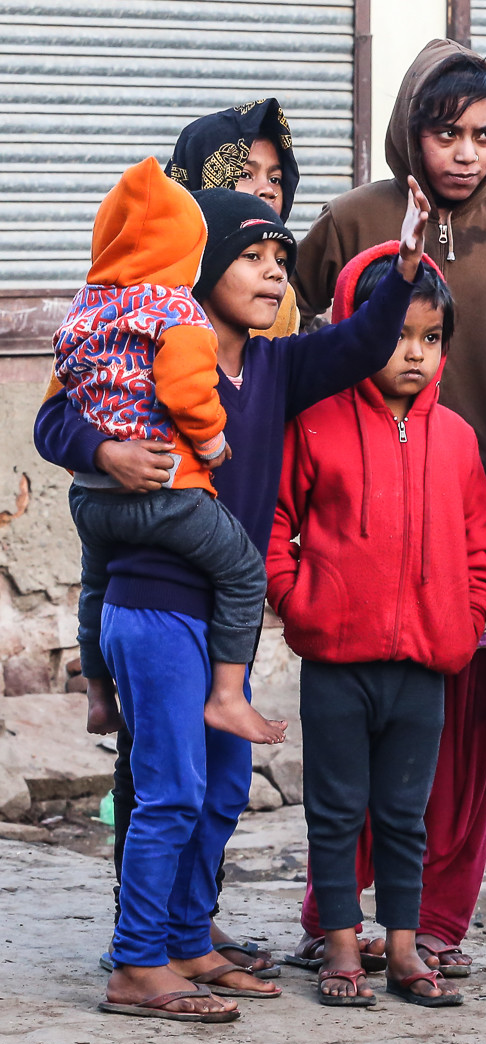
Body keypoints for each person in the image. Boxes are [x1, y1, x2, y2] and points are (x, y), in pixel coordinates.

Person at [32, 179, 432, 1021]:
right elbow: (54, 424)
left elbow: (359, 344)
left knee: (217, 791)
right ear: (202, 265)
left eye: (280, 260)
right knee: (169, 790)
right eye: (251, 257)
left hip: (222, 627)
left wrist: (403, 268)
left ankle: (185, 938)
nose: (272, 274)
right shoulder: (144, 350)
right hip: (153, 603)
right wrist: (106, 451)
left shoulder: (278, 366)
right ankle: (136, 964)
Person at [289, 38, 486, 979]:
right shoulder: (352, 218)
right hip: (355, 503)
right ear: (412, 129)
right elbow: (282, 337)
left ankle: (436, 920)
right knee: (353, 725)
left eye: (485, 135)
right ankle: (337, 918)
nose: (465, 153)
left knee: (465, 726)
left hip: (471, 509)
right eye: (446, 132)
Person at [269, 242, 486, 1007]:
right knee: (334, 813)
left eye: (432, 339)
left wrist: (462, 626)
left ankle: (403, 951)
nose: (416, 355)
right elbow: (277, 521)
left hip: (424, 666)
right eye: (399, 334)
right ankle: (339, 946)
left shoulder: (459, 440)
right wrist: (295, 600)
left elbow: (476, 549)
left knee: (404, 816)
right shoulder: (317, 421)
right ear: (354, 327)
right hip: (336, 660)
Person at [53, 157, 282, 750]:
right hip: (165, 491)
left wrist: (96, 452)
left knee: (95, 587)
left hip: (89, 500)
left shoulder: (86, 308)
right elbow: (185, 390)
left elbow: (66, 383)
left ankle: (99, 694)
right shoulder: (176, 312)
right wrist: (209, 441)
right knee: (243, 569)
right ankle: (230, 696)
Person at [166, 97, 302, 339]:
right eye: (246, 174)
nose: (268, 190)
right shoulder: (150, 287)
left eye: (275, 179)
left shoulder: (279, 295)